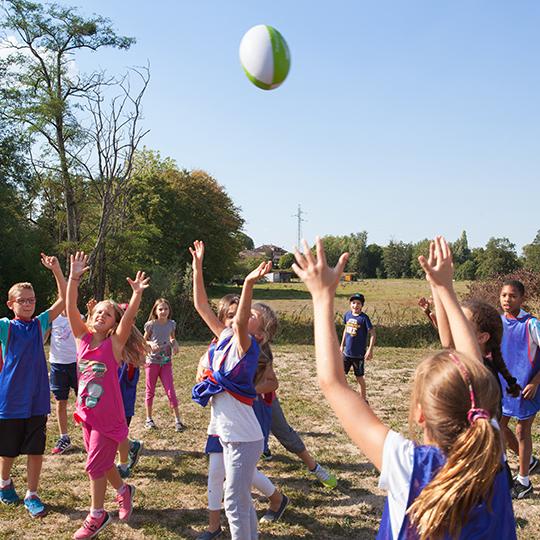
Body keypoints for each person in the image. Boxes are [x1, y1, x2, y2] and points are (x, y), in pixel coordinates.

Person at [292, 236, 516, 539]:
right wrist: (445, 288)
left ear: (420, 414)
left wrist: (321, 297)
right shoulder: (493, 453)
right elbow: (473, 368)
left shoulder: (410, 466)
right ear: (479, 406)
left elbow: (332, 384)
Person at [191, 242, 287, 540]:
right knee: (241, 501)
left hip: (245, 439)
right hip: (232, 436)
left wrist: (248, 283)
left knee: (233, 502)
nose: (241, 316)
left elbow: (243, 319)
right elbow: (201, 306)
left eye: (251, 317)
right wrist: (197, 268)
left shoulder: (247, 348)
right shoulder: (224, 338)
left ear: (258, 334)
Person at [66, 251, 149, 539]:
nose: (101, 314)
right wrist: (74, 277)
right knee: (101, 463)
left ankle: (97, 515)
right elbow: (69, 307)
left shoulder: (114, 345)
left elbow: (130, 318)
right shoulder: (82, 339)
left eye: (108, 313)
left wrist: (136, 294)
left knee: (93, 465)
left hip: (110, 419)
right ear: (91, 316)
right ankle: (124, 490)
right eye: (97, 311)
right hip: (86, 415)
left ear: (114, 322)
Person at [0, 253, 66, 518]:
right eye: (22, 301)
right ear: (11, 304)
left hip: (37, 399)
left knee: (35, 449)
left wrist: (57, 270)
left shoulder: (40, 323)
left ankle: (32, 493)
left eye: (32, 300)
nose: (28, 304)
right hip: (9, 401)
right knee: (7, 451)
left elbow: (64, 301)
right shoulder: (6, 327)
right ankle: (4, 483)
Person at [498, 279, 540, 499]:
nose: (507, 299)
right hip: (504, 388)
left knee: (522, 431)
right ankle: (528, 462)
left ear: (522, 298)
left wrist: (535, 382)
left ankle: (524, 481)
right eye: (504, 295)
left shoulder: (532, 324)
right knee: (499, 427)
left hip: (526, 388)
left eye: (513, 296)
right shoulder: (497, 322)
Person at [143, 298, 184, 431]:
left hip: (166, 362)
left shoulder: (171, 324)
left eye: (166, 309)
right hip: (152, 362)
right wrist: (150, 344)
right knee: (150, 391)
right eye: (160, 309)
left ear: (169, 310)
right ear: (155, 311)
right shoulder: (151, 325)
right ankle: (149, 419)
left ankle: (178, 420)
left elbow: (172, 337)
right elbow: (144, 341)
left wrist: (175, 343)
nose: (163, 311)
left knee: (170, 391)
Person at [47, 310, 78, 455]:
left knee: (85, 403)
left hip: (77, 364)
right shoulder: (53, 318)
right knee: (60, 402)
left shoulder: (78, 316)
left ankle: (91, 437)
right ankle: (64, 438)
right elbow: (43, 337)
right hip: (57, 365)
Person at [340, 293, 375, 399]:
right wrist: (342, 345)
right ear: (350, 304)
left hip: (358, 355)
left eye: (358, 303)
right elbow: (346, 330)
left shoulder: (364, 318)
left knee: (359, 378)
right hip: (347, 353)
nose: (355, 305)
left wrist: (370, 349)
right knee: (341, 375)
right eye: (353, 303)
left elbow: (373, 333)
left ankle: (363, 400)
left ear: (362, 305)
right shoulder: (347, 315)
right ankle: (350, 394)